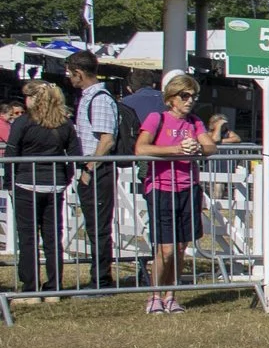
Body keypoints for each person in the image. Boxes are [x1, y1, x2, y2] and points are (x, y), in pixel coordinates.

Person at [133, 73, 214, 313]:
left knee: (180, 248)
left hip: (188, 186)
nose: (189, 100)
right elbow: (141, 148)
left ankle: (171, 295)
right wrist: (175, 149)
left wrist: (199, 147)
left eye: (193, 96)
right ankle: (154, 296)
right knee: (165, 249)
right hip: (161, 187)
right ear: (171, 98)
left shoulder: (195, 122)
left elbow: (211, 146)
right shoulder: (156, 118)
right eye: (184, 95)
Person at [8, 80, 76, 295]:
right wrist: (65, 179)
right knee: (53, 238)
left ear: (34, 99)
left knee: (28, 238)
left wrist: (9, 184)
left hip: (26, 183)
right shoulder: (64, 123)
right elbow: (75, 154)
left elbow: (11, 153)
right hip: (54, 185)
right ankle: (55, 287)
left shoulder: (23, 122)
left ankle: (30, 288)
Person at [65, 51, 122, 289]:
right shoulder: (89, 97)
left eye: (69, 73)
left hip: (98, 171)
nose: (68, 78)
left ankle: (101, 279)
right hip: (92, 169)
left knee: (98, 227)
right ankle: (99, 275)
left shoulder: (99, 98)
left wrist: (89, 168)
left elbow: (106, 140)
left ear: (79, 73)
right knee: (93, 226)